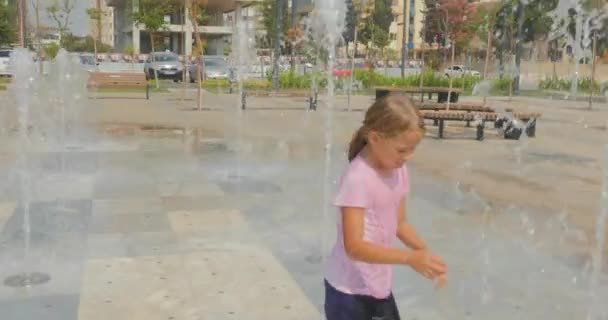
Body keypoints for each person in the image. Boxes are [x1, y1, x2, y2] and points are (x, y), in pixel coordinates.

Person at [324, 94, 447, 320]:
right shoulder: (358, 178)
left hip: (378, 286)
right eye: (402, 150)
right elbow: (354, 247)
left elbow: (399, 223)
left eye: (412, 149)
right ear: (374, 138)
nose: (408, 157)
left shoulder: (398, 169)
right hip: (348, 294)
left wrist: (424, 253)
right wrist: (409, 259)